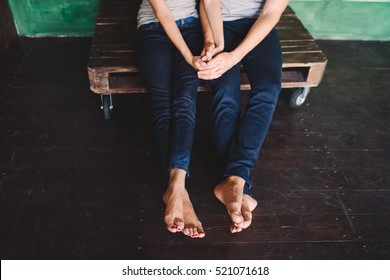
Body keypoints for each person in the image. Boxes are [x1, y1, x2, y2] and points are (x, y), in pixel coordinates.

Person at [198, 0, 290, 233]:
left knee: (268, 89)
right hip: (219, 24)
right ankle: (240, 185)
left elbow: (270, 13)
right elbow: (207, 2)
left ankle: (233, 181)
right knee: (225, 92)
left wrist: (235, 56)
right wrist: (216, 44)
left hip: (258, 27)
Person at [136, 0, 223, 238]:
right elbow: (163, 13)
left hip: (192, 28)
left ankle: (175, 187)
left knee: (184, 102)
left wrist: (208, 40)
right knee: (163, 104)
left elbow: (206, 2)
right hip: (154, 28)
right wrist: (189, 57)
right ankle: (179, 191)